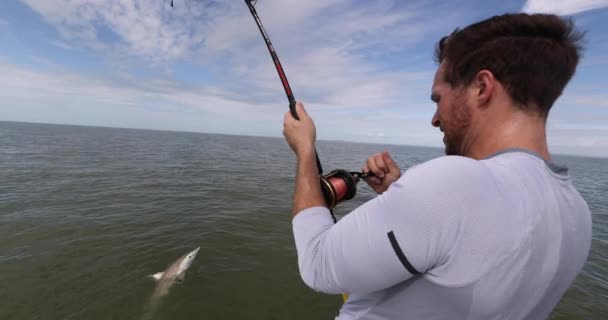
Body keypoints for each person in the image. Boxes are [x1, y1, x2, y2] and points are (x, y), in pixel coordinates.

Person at [282, 13, 592, 320]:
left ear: (482, 87)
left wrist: (305, 149)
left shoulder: (454, 184)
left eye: (437, 99)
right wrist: (396, 194)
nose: (434, 119)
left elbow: (318, 264)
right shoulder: (576, 212)